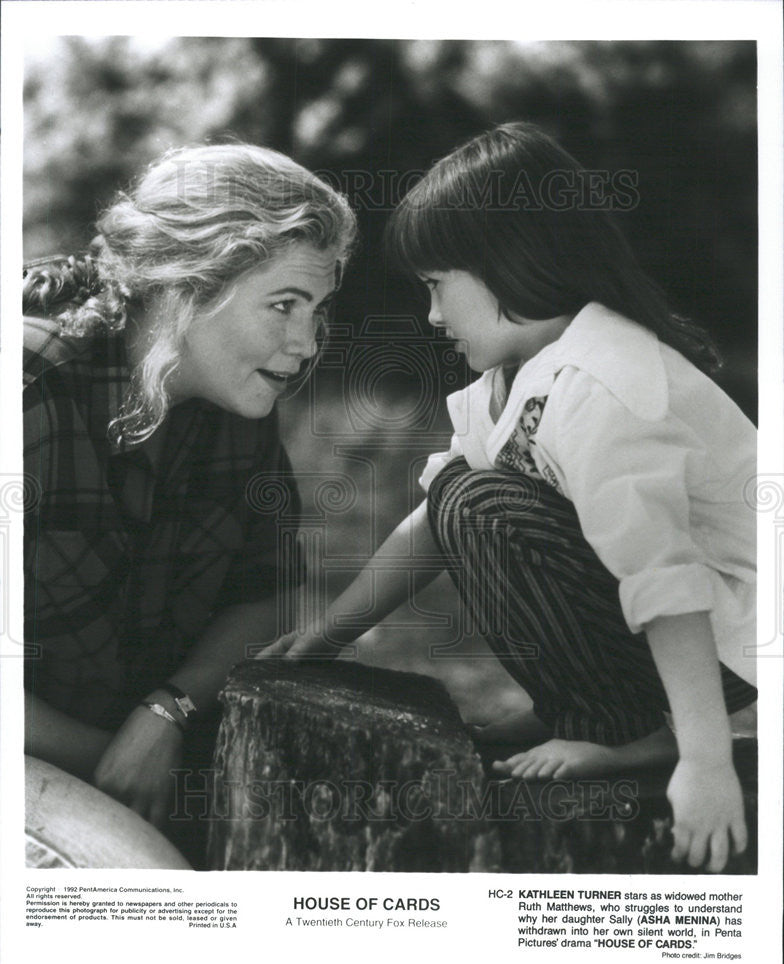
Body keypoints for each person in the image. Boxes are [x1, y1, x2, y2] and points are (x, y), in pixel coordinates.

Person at [260, 122, 757, 875]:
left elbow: (668, 579)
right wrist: (328, 634)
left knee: (484, 503)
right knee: (464, 492)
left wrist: (706, 762)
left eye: (437, 287)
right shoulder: (518, 382)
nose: (431, 318)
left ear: (509, 263)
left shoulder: (602, 386)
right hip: (686, 640)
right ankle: (587, 710)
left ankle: (632, 731)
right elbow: (434, 521)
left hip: (731, 640)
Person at [23, 142, 357, 866]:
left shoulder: (236, 396)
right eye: (284, 305)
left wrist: (168, 710)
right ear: (184, 284)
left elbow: (267, 595)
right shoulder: (26, 387)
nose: (306, 344)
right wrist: (134, 760)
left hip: (144, 763)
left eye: (317, 309)